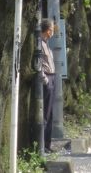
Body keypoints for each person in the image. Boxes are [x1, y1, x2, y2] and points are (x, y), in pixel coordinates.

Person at [39, 19, 56, 153]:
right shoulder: (40, 44)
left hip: (52, 77)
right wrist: (44, 78)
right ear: (48, 30)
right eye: (52, 29)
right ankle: (43, 145)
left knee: (50, 113)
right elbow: (38, 64)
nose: (53, 32)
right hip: (47, 79)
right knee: (45, 113)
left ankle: (48, 144)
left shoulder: (46, 44)